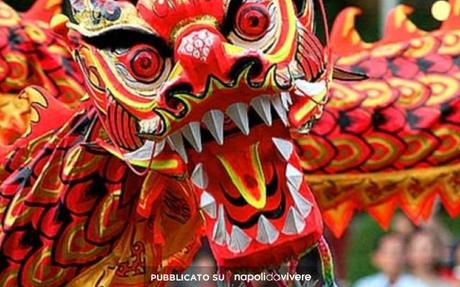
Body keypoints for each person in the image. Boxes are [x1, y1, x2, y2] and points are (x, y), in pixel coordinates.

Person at [354, 233, 428, 287]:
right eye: (386, 252)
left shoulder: (417, 285)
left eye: (396, 252)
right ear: (376, 257)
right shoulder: (364, 285)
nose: (392, 257)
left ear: (406, 256)